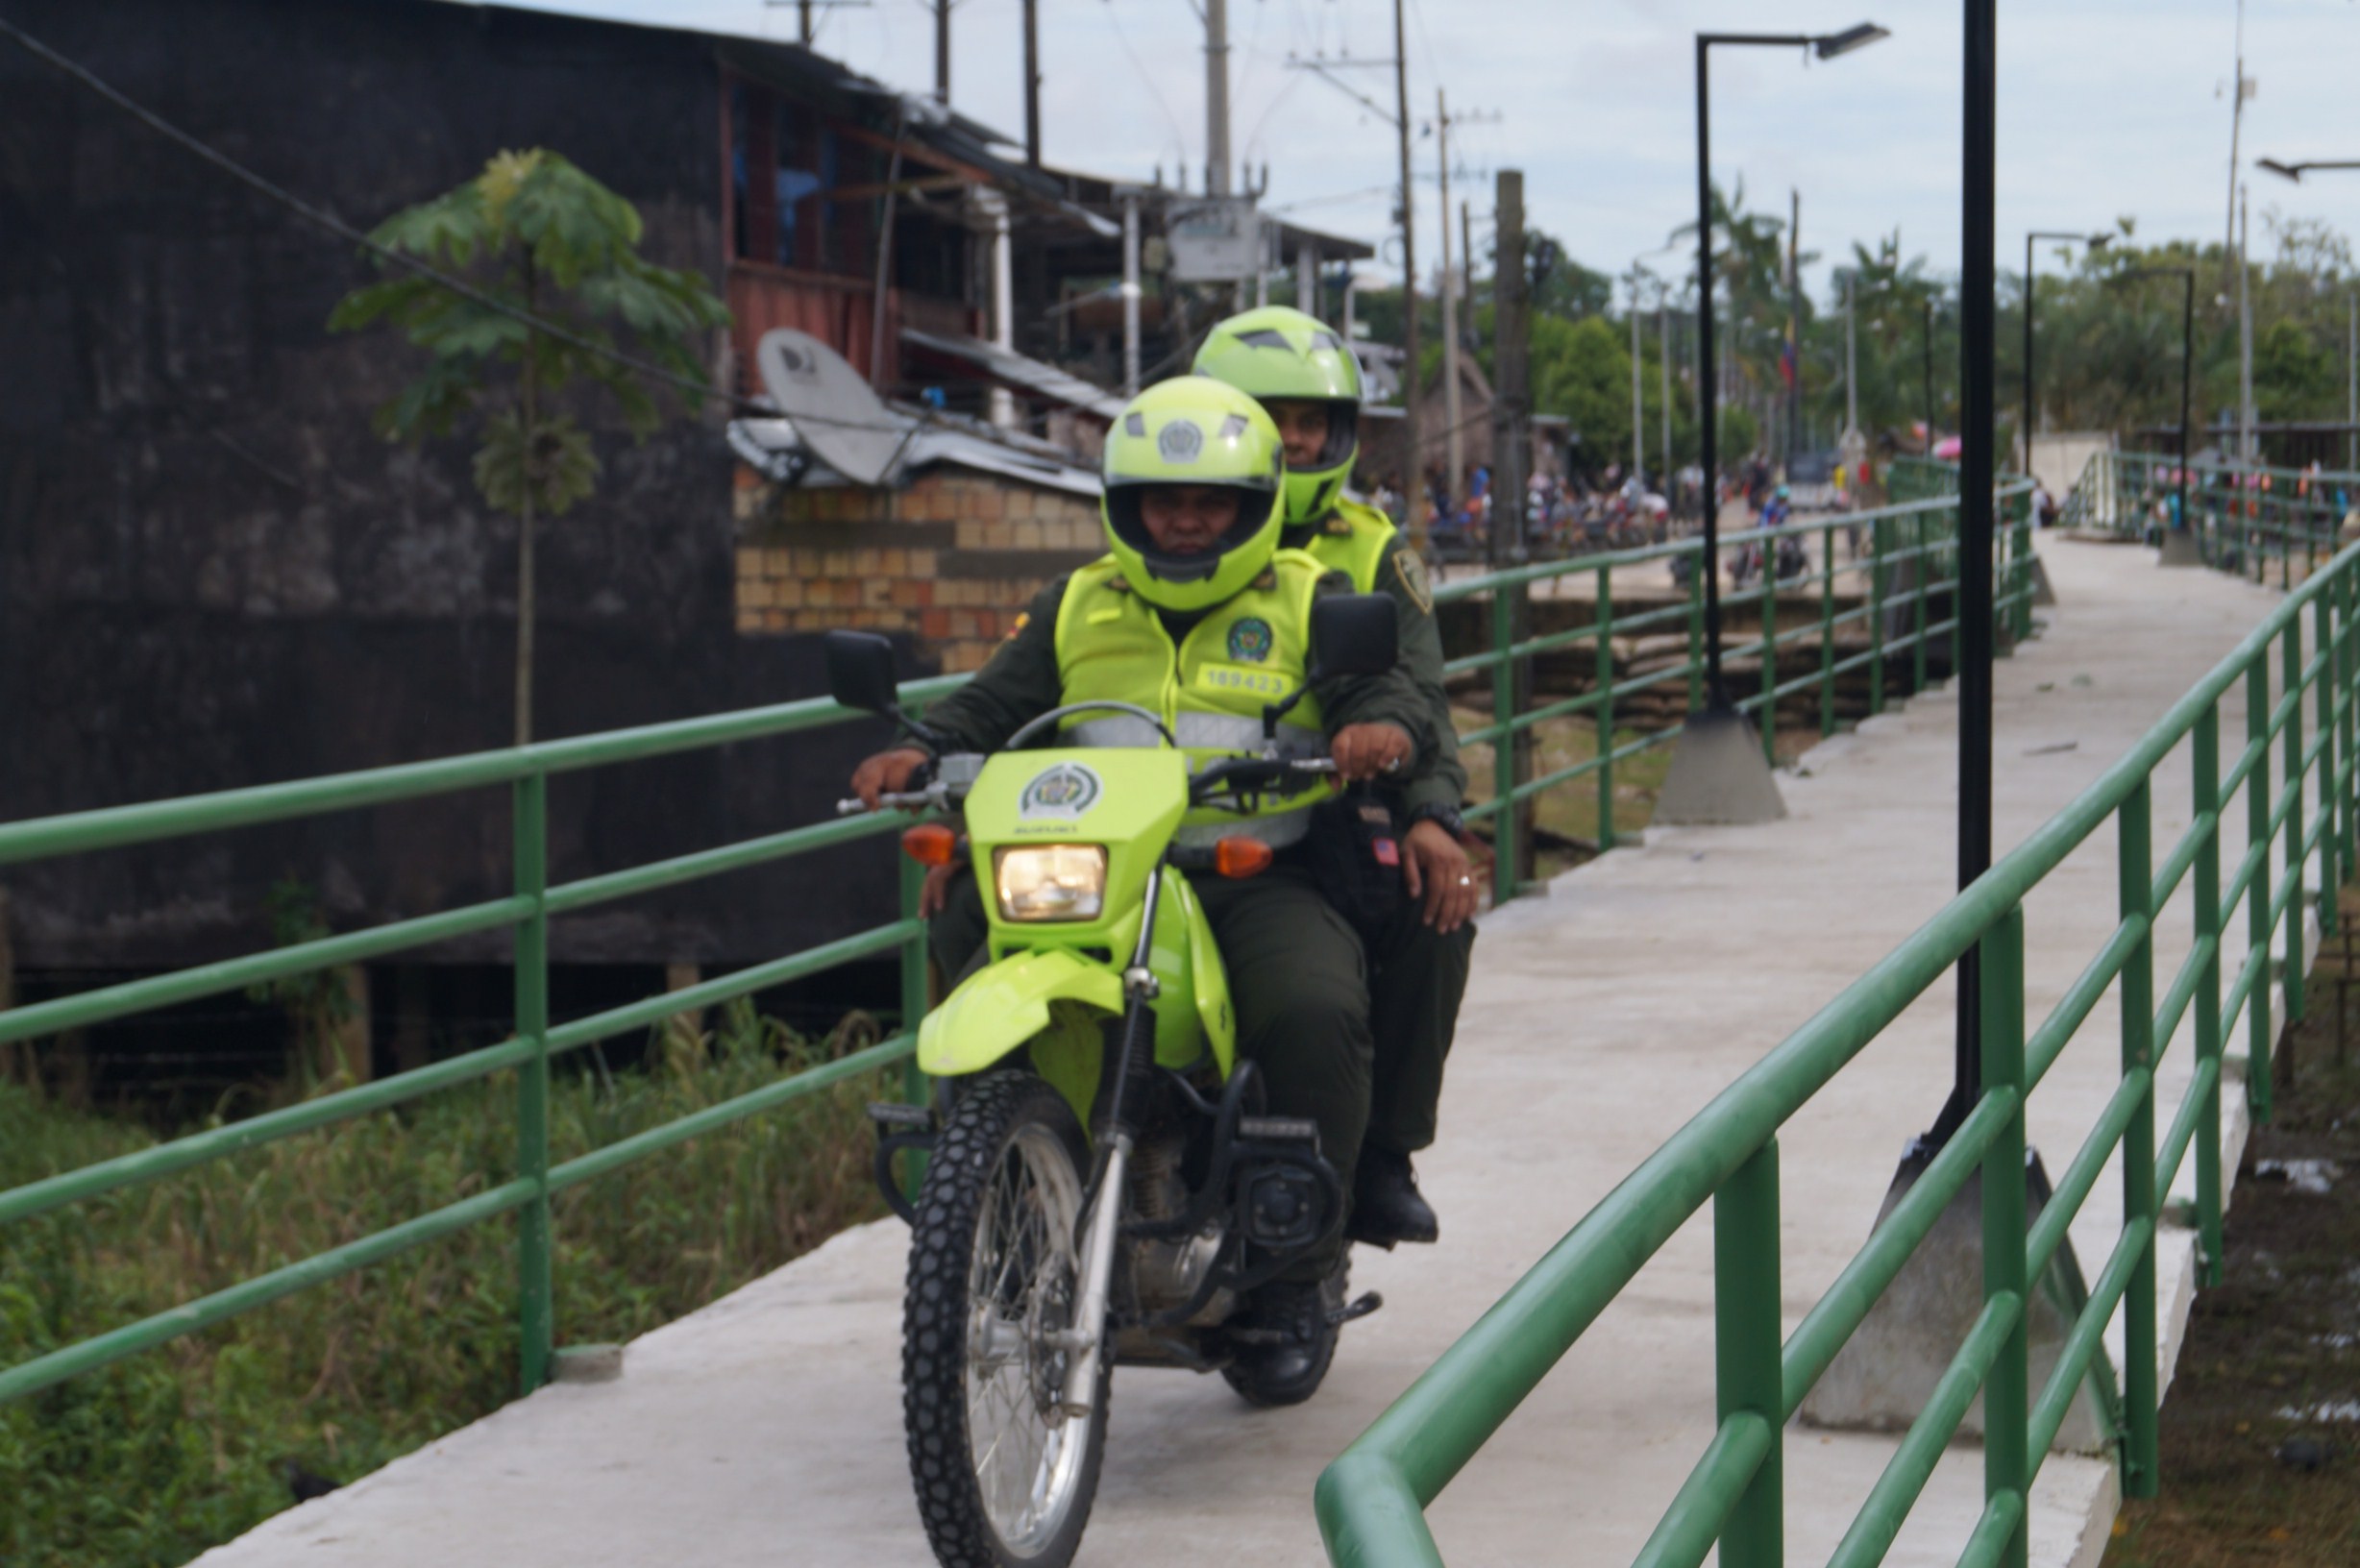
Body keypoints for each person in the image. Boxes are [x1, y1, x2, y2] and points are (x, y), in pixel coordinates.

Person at [849, 376, 1433, 1390]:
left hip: (1246, 872)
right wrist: (924, 752)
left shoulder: (1305, 595)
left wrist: (1377, 727)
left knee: (1312, 1009)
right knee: (974, 953)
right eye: (1164, 500)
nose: (1187, 518)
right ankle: (996, 1199)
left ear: (1253, 504)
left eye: (1210, 501)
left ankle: (1296, 1271)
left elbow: (1384, 686)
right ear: (1127, 507)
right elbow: (990, 708)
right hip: (1094, 874)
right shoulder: (1077, 604)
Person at [1192, 305, 1478, 1249]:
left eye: (1314, 421)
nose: (1299, 438)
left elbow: (1419, 693)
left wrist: (1431, 810)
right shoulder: (1165, 529)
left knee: (1435, 905)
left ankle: (1377, 1157)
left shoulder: (1364, 547)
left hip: (1337, 799)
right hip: (1173, 808)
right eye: (1275, 416)